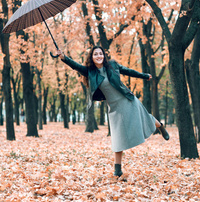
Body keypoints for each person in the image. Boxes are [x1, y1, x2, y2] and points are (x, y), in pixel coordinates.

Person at [56, 46, 169, 178]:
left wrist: (144, 76)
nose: (98, 56)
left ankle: (160, 126)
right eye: (95, 54)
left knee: (145, 117)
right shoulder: (90, 72)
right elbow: (75, 66)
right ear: (92, 58)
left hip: (127, 99)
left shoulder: (113, 65)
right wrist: (63, 57)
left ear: (104, 55)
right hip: (114, 107)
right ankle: (118, 170)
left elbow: (128, 71)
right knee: (118, 136)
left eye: (100, 53)